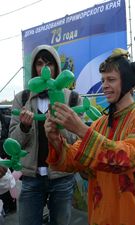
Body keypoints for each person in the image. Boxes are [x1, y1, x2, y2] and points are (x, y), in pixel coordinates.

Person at [44, 49, 135, 225]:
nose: (104, 85)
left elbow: (126, 159)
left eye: (111, 79)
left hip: (129, 218)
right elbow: (72, 161)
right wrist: (55, 139)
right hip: (98, 218)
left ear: (128, 82)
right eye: (103, 80)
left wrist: (80, 129)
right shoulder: (99, 124)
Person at [9, 44, 82, 225]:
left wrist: (61, 126)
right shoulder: (22, 98)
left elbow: (77, 141)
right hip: (30, 179)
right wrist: (24, 127)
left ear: (56, 67)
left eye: (49, 64)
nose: (44, 69)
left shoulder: (73, 98)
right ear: (34, 68)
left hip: (62, 176)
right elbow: (12, 143)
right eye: (40, 63)